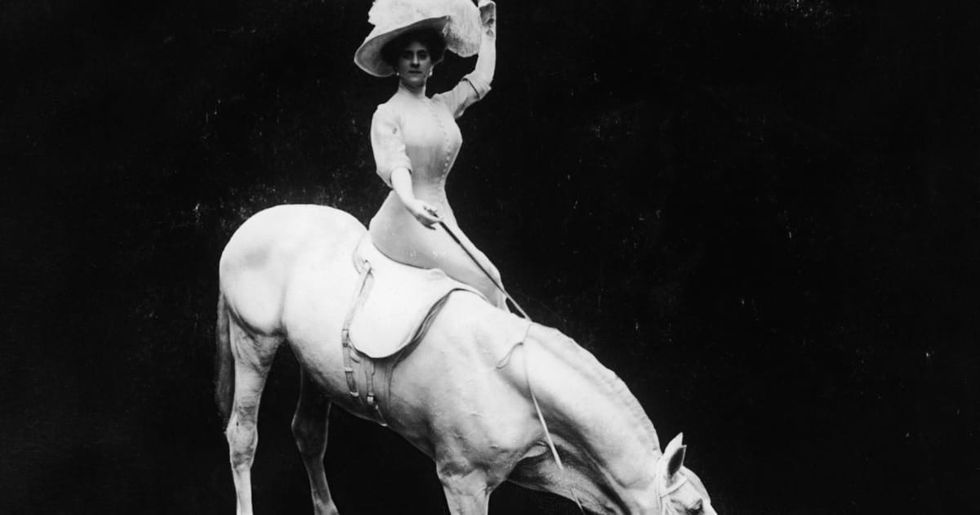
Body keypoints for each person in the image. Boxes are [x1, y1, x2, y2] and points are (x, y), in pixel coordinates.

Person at [354, 0, 506, 308]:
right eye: (407, 56)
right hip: (402, 219)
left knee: (490, 277)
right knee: (483, 279)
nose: (414, 62)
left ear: (433, 62)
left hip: (438, 214)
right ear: (395, 63)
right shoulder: (387, 113)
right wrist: (411, 202)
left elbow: (481, 81)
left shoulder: (441, 106)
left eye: (422, 55)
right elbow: (397, 164)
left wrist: (488, 32)